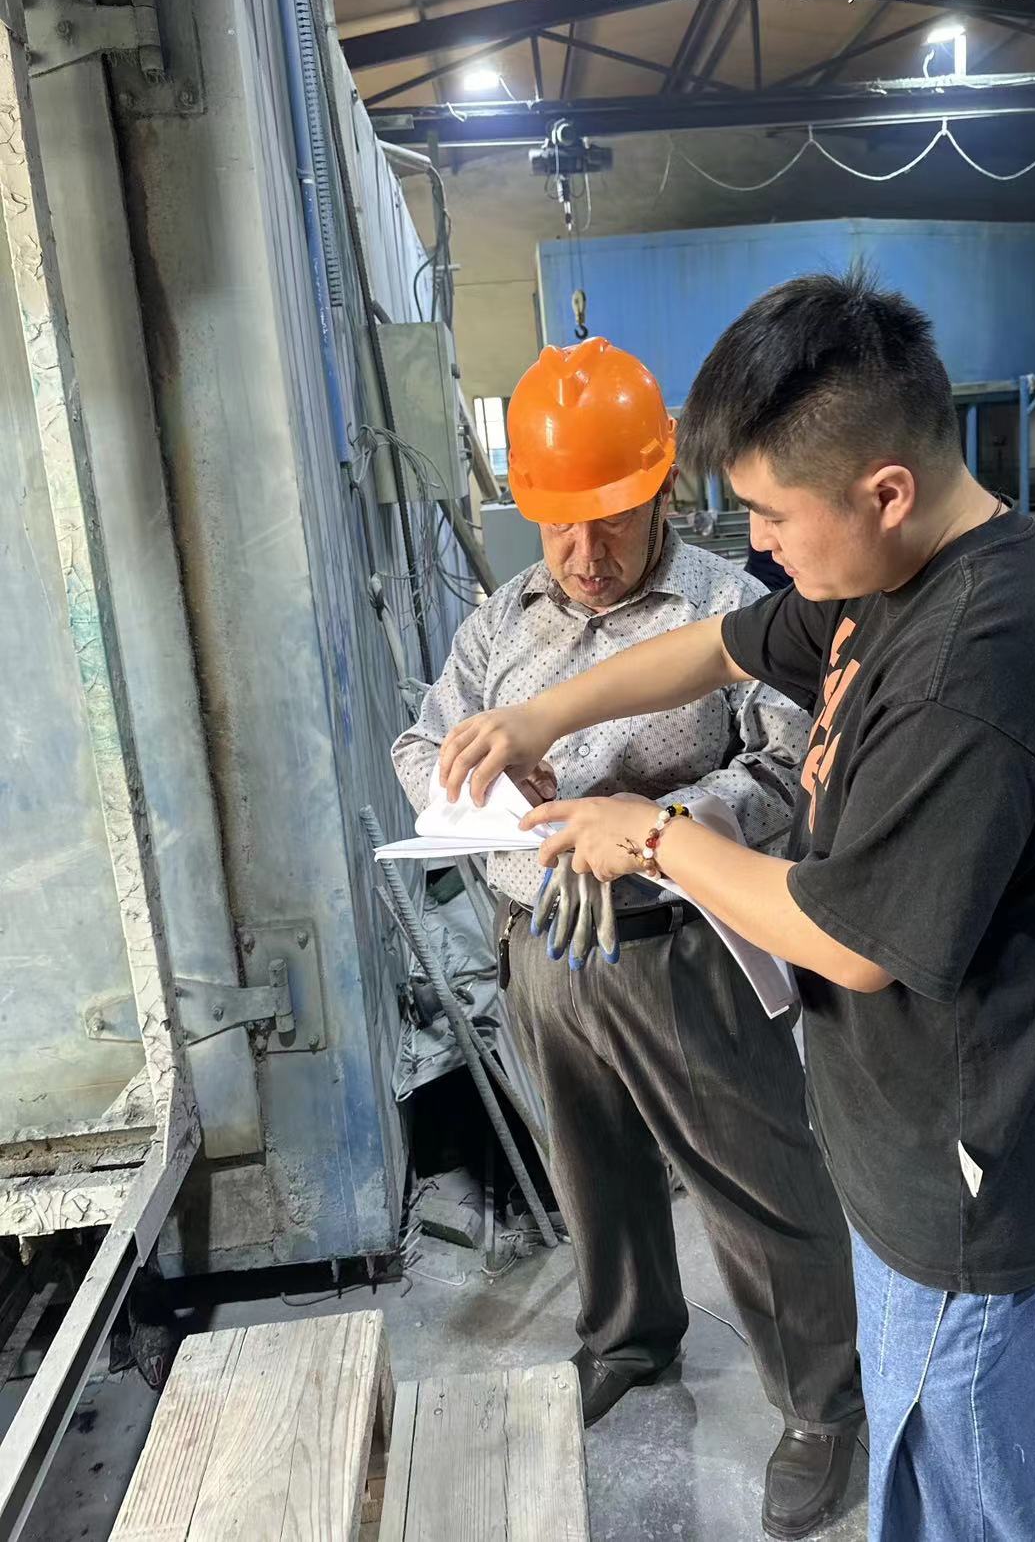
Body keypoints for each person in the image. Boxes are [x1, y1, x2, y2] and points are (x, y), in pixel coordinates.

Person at [439, 273, 1035, 1542]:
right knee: (931, 1489)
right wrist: (540, 716)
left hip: (978, 1198)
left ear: (884, 490)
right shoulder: (881, 579)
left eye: (767, 515)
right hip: (904, 1151)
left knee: (987, 1500)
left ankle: (826, 1413)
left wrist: (651, 833)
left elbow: (847, 940)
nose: (755, 546)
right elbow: (716, 647)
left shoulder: (973, 668)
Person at [392, 336, 864, 1540]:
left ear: (659, 490)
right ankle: (628, 1336)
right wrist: (466, 780)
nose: (583, 554)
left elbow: (788, 771)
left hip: (680, 945)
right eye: (558, 525)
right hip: (539, 943)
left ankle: (822, 1407)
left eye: (608, 521)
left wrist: (661, 825)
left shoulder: (726, 607)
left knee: (751, 1180)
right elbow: (420, 741)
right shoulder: (502, 620)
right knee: (587, 1165)